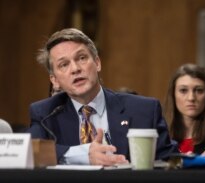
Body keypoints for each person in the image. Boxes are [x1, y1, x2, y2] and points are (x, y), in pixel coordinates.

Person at [26, 28, 179, 165]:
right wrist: (83, 155)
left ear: (97, 63)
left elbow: (169, 160)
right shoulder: (45, 113)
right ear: (55, 81)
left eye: (81, 58)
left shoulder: (144, 110)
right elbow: (31, 151)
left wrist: (198, 160)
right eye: (64, 64)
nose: (75, 69)